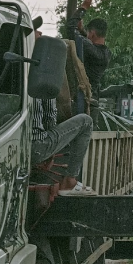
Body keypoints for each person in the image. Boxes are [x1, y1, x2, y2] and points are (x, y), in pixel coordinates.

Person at [30, 30, 93, 194]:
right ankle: (70, 180)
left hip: (10, 142)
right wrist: (50, 152)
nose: (40, 32)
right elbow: (50, 117)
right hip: (35, 147)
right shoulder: (43, 69)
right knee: (86, 121)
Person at [82, 18, 112, 107]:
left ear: (92, 33)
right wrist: (81, 30)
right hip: (93, 100)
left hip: (84, 101)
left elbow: (72, 30)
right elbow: (89, 43)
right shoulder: (107, 53)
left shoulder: (89, 49)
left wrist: (83, 8)